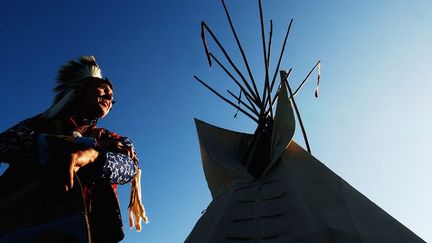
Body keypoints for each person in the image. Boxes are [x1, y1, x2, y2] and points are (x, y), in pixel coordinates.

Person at [0, 56, 148, 242]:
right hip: (20, 224)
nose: (110, 97)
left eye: (112, 98)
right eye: (104, 89)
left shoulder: (110, 139)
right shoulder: (41, 124)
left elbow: (130, 168)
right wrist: (72, 146)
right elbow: (4, 144)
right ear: (81, 88)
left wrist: (94, 156)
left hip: (90, 228)